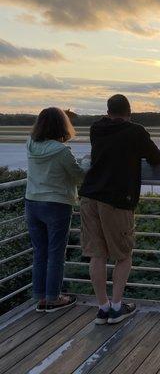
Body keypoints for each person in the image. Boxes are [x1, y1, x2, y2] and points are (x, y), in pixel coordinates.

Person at [79, 94, 160, 324]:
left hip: (89, 196)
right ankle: (117, 307)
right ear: (129, 112)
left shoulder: (96, 129)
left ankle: (103, 307)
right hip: (116, 200)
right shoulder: (135, 131)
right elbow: (156, 158)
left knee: (97, 255)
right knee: (123, 255)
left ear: (107, 112)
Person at [25, 107, 86, 312]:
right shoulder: (61, 151)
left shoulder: (30, 143)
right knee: (55, 253)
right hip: (56, 204)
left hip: (32, 202)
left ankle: (40, 298)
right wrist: (87, 162)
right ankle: (54, 297)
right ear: (62, 125)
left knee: (40, 253)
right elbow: (78, 176)